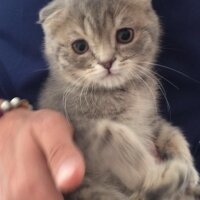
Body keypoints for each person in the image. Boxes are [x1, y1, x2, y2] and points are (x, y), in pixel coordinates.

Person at [0, 0, 199, 199]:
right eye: (80, 46)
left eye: (124, 35)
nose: (106, 60)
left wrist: (176, 149)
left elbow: (153, 125)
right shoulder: (67, 99)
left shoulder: (146, 83)